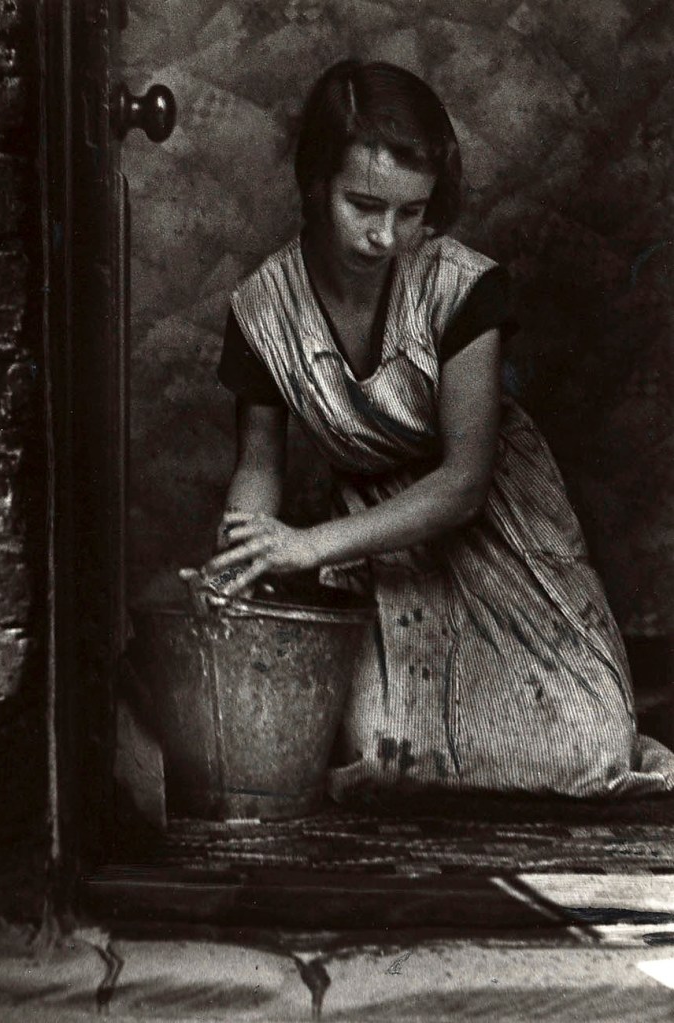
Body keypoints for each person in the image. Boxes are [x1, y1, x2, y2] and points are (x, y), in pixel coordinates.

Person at [203, 59, 674, 800]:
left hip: (492, 525)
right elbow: (258, 462)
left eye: (411, 212)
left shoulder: (462, 286)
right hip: (371, 538)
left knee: (591, 750)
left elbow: (463, 482)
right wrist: (243, 551)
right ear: (316, 183)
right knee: (391, 759)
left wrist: (307, 545)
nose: (386, 235)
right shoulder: (261, 308)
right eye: (363, 204)